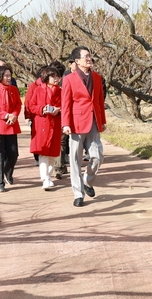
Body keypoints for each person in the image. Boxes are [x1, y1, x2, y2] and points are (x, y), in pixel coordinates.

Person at [61, 46, 107, 207]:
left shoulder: (97, 77)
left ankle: (88, 181)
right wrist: (65, 123)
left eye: (90, 56)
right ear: (77, 61)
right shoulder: (69, 79)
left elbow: (100, 100)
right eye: (85, 56)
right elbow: (65, 103)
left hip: (94, 120)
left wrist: (103, 120)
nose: (89, 58)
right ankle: (78, 193)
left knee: (98, 156)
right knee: (75, 159)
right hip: (76, 122)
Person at [0, 64, 22, 192]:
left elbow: (18, 104)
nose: (8, 78)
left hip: (11, 124)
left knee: (13, 154)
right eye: (6, 75)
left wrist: (14, 115)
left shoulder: (13, 89)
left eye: (9, 75)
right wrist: (6, 115)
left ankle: (7, 172)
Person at [26, 66, 62, 190]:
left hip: (55, 124)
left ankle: (49, 176)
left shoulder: (61, 91)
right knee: (43, 152)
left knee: (53, 153)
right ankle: (45, 178)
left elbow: (66, 107)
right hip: (41, 124)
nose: (56, 79)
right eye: (53, 76)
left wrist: (58, 110)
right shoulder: (38, 90)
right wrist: (42, 109)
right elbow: (31, 106)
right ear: (47, 78)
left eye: (58, 76)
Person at [24, 65, 48, 167]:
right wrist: (28, 116)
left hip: (50, 117)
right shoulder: (33, 86)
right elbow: (28, 102)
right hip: (36, 117)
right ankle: (37, 157)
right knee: (36, 137)